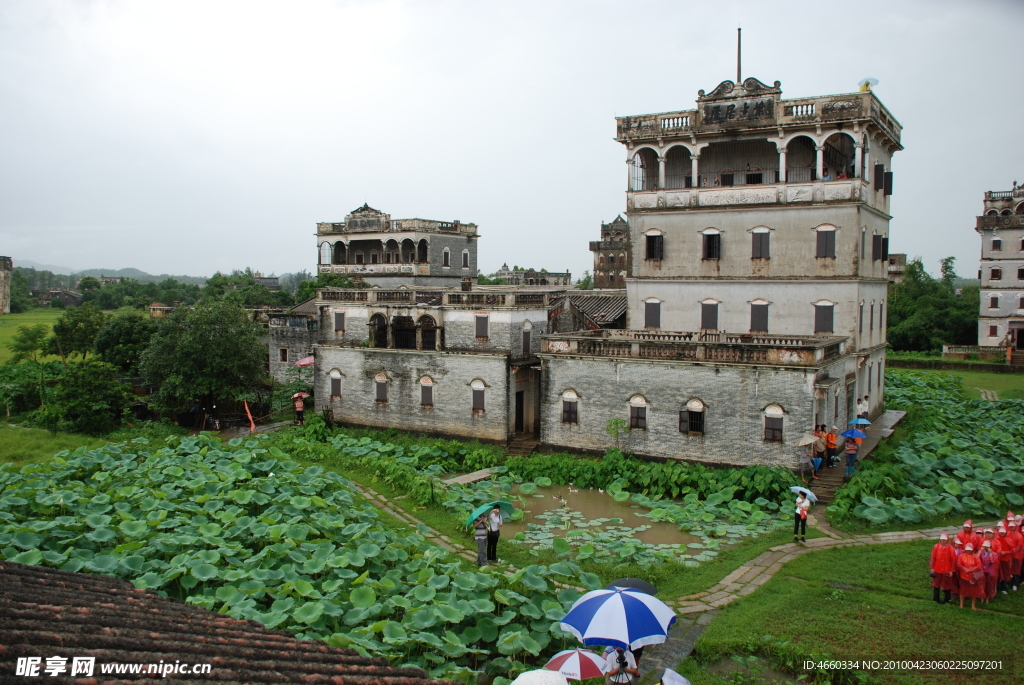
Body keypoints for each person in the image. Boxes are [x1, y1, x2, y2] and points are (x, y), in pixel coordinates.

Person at [929, 532, 956, 604]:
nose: (943, 541)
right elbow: (933, 558)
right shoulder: (936, 547)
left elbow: (953, 560)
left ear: (947, 540)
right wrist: (932, 568)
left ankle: (947, 600)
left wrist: (951, 570)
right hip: (937, 569)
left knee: (947, 585)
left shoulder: (951, 549)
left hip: (946, 570)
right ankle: (936, 599)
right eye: (942, 540)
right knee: (936, 585)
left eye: (944, 540)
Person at [957, 543, 983, 610]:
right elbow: (959, 564)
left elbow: (979, 566)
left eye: (970, 550)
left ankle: (973, 605)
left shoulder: (976, 557)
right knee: (962, 590)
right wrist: (965, 569)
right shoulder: (962, 556)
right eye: (967, 550)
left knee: (973, 591)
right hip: (964, 576)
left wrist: (971, 570)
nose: (968, 551)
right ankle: (961, 604)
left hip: (973, 577)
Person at [994, 526, 1012, 594]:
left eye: (1003, 532)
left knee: (1004, 573)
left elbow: (1013, 550)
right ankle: (998, 587)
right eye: (1000, 532)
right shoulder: (997, 539)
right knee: (997, 573)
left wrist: (1005, 552)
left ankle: (1003, 587)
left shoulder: (1009, 540)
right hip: (998, 559)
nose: (1002, 533)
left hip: (1005, 559)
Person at [980, 539, 999, 604]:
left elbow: (993, 561)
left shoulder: (994, 554)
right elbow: (976, 558)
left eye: (987, 547)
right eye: (985, 547)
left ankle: (987, 598)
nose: (985, 548)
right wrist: (980, 551)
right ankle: (982, 597)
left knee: (988, 585)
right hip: (983, 571)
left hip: (989, 571)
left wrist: (990, 554)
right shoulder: (981, 553)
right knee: (982, 584)